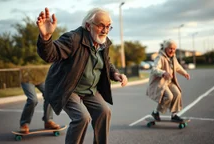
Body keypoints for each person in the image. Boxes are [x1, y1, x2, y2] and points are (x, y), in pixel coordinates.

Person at [36, 7, 128, 144]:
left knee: (104, 112)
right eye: (101, 26)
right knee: (82, 118)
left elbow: (106, 62)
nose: (105, 30)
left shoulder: (103, 42)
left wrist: (115, 74)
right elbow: (51, 54)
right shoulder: (73, 39)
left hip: (90, 90)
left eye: (108, 26)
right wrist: (46, 37)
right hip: (68, 88)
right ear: (88, 26)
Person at [146, 40, 190, 122]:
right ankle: (156, 112)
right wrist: (163, 73)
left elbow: (177, 67)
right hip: (161, 82)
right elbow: (154, 69)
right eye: (170, 48)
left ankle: (174, 115)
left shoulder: (173, 57)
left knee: (177, 93)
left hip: (169, 82)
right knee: (169, 96)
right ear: (166, 48)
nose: (172, 51)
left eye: (174, 49)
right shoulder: (160, 57)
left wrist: (185, 73)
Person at [19, 66, 60, 133]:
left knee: (50, 96)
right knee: (32, 100)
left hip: (41, 78)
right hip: (26, 77)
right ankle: (24, 124)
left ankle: (48, 121)